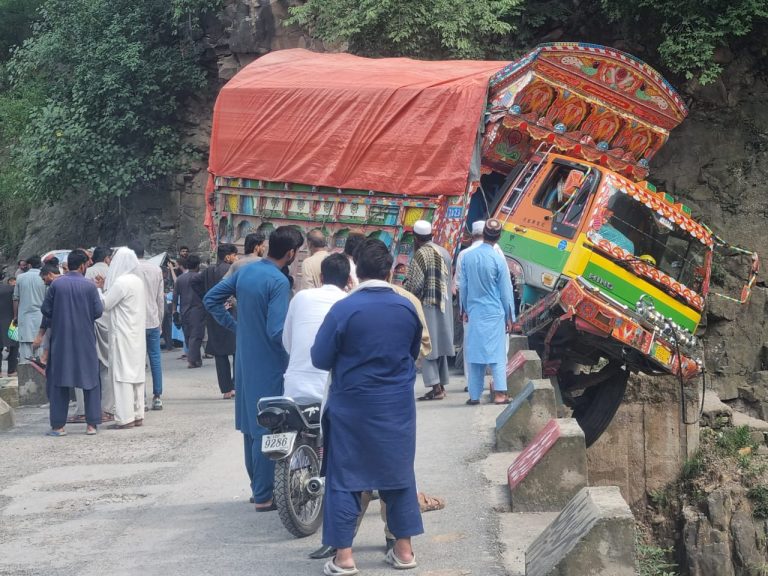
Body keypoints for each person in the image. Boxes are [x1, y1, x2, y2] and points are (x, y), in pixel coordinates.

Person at [311, 238, 423, 574]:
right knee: (399, 473)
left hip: (353, 406)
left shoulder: (344, 309)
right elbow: (413, 353)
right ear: (390, 270)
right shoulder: (406, 308)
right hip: (397, 406)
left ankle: (344, 557)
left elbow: (319, 357)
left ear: (356, 270)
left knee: (346, 476)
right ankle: (404, 552)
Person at [204, 226, 304, 511]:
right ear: (291, 253)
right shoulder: (278, 282)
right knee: (269, 424)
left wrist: (236, 327)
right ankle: (263, 494)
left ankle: (258, 489)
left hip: (245, 357)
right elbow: (276, 331)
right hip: (270, 360)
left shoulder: (245, 270)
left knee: (251, 424)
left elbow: (211, 299)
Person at [35, 250, 103, 436]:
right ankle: (91, 425)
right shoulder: (89, 286)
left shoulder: (57, 285)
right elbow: (98, 312)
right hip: (85, 339)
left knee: (58, 381)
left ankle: (58, 426)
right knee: (90, 380)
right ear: (82, 266)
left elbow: (46, 310)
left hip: (61, 339)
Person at [460, 219, 516, 405]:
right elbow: (506, 292)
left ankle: (474, 396)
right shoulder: (499, 259)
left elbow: (464, 287)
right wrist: (510, 316)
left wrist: (464, 309)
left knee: (475, 354)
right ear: (499, 237)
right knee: (497, 355)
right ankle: (500, 395)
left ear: (483, 233)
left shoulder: (467, 257)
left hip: (475, 312)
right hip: (494, 312)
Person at [283, 253, 349, 401]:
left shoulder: (300, 297)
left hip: (295, 388)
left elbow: (288, 343)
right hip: (331, 391)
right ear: (348, 280)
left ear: (321, 277)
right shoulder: (349, 302)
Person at [96, 247, 147, 429]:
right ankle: (138, 414)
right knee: (136, 374)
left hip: (123, 334)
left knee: (122, 375)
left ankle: (125, 418)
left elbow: (105, 304)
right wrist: (104, 288)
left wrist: (98, 291)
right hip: (136, 334)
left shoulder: (121, 282)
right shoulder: (137, 281)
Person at [404, 220, 454, 401]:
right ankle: (441, 384)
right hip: (445, 305)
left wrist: (405, 294)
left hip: (428, 305)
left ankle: (436, 388)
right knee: (440, 345)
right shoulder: (444, 252)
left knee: (428, 345)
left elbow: (415, 284)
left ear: (416, 238)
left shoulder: (420, 254)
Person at [193, 243, 238, 399]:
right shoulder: (232, 270)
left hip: (214, 315)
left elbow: (194, 282)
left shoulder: (208, 271)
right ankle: (236, 386)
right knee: (237, 352)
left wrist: (205, 297)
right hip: (231, 314)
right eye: (234, 255)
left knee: (220, 354)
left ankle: (226, 390)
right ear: (227, 256)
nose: (236, 258)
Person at [127, 241, 165, 410]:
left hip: (135, 322)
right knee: (155, 359)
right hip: (153, 320)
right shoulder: (156, 269)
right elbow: (160, 299)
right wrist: (160, 320)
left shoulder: (129, 271)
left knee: (138, 361)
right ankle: (157, 396)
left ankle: (141, 397)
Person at [12, 256, 46, 365]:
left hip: (24, 318)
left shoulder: (20, 278)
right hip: (41, 318)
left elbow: (16, 298)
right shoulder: (44, 277)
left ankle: (26, 379)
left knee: (25, 351)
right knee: (41, 346)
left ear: (29, 265)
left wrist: (15, 316)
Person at [173, 254, 205, 368]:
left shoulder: (180, 279)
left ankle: (197, 359)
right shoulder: (200, 277)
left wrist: (174, 312)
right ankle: (192, 360)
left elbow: (175, 297)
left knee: (188, 335)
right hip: (197, 310)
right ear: (197, 265)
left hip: (183, 310)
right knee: (196, 335)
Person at [0, 277, 18, 377]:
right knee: (14, 345)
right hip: (12, 320)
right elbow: (16, 301)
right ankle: (11, 370)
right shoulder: (11, 289)